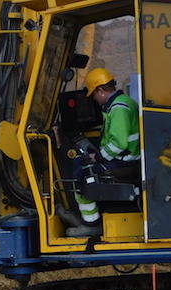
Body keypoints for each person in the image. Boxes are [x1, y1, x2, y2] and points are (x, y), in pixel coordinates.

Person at [68, 67, 140, 237]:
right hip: (127, 158)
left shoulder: (118, 108)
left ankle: (92, 224)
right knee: (83, 163)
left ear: (100, 90)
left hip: (126, 161)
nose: (94, 98)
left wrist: (98, 157)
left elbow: (119, 143)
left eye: (93, 94)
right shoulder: (121, 103)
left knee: (81, 172)